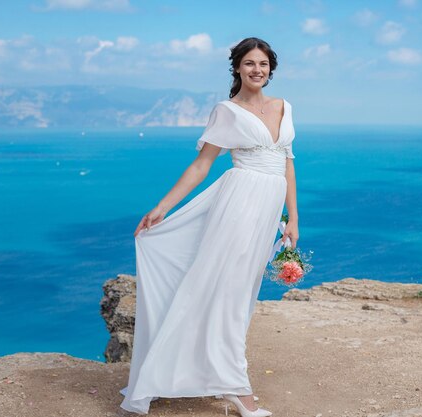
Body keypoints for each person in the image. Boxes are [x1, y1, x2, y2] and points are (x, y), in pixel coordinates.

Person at [118, 37, 299, 416]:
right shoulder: (227, 111)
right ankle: (238, 390)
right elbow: (201, 166)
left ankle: (211, 373)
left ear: (271, 69)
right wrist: (162, 207)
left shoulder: (285, 107)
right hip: (237, 207)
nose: (257, 70)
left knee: (240, 297)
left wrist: (292, 218)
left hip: (266, 214)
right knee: (227, 297)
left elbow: (287, 163)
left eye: (263, 64)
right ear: (237, 68)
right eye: (249, 63)